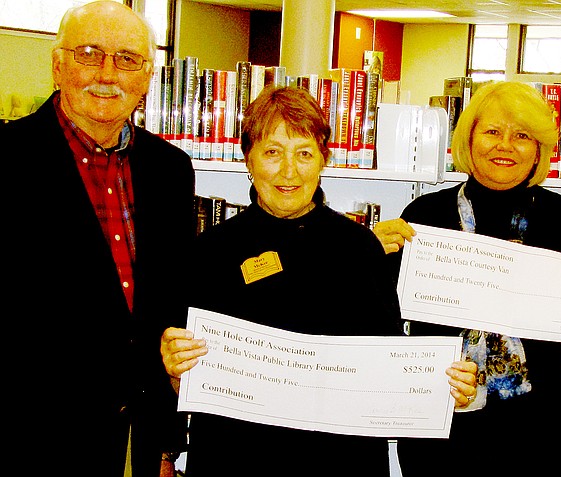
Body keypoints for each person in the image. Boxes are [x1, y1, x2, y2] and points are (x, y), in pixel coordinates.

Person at [159, 85, 477, 476]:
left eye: (304, 153)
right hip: (236, 459)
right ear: (249, 159)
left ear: (323, 159)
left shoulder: (360, 247)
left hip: (338, 463)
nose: (289, 171)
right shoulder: (208, 253)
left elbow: (389, 360)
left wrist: (441, 386)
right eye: (272, 152)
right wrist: (176, 371)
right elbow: (184, 383)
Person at [373, 80, 561, 476]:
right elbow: (381, 314)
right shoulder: (424, 216)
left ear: (538, 150)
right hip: (443, 417)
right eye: (492, 132)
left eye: (521, 136)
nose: (505, 145)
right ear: (469, 138)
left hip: (538, 428)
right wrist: (370, 256)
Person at [2, 2, 195, 477]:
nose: (107, 73)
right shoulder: (4, 161)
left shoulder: (170, 170)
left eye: (127, 58)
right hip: (25, 440)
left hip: (137, 445)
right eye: (89, 53)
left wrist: (167, 443)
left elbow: (170, 309)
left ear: (148, 76)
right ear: (58, 65)